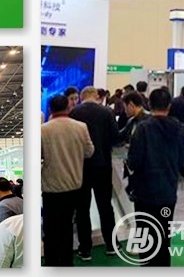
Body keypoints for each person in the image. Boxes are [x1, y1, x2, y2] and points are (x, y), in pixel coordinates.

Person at [126, 88, 184, 267]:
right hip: (168, 192)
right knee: (164, 236)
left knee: (145, 236)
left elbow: (134, 161)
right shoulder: (178, 128)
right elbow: (182, 159)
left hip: (145, 193)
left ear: (149, 104)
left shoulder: (143, 128)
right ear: (169, 106)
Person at [41, 94, 94, 266]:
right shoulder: (81, 127)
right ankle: (66, 263)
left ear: (50, 109)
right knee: (67, 227)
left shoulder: (43, 130)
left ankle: (51, 263)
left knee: (51, 229)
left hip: (51, 188)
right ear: (68, 107)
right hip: (74, 186)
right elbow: (89, 152)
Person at [70, 86, 118, 260]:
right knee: (105, 206)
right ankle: (112, 245)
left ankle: (85, 249)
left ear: (82, 97)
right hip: (103, 165)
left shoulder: (74, 113)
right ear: (96, 96)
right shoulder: (107, 112)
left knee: (82, 209)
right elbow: (115, 137)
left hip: (81, 167)